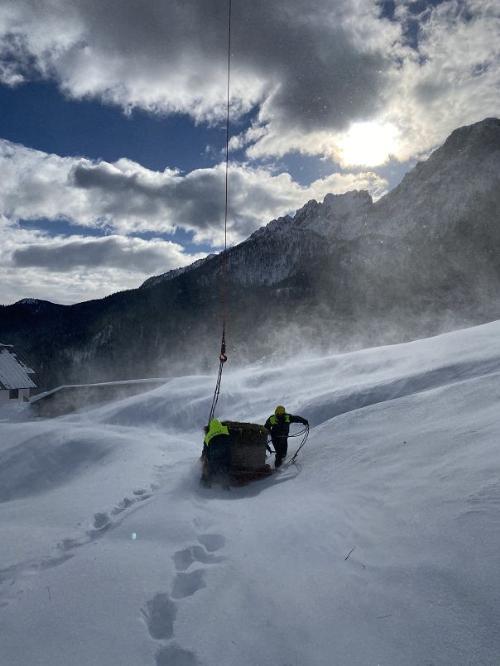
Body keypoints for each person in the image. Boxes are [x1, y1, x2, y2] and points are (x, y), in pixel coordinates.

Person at [201, 419, 232, 487]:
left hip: (213, 460)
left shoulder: (208, 437)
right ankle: (225, 488)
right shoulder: (225, 434)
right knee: (224, 473)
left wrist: (203, 458)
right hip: (224, 460)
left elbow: (205, 451)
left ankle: (205, 487)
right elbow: (229, 446)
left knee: (207, 473)